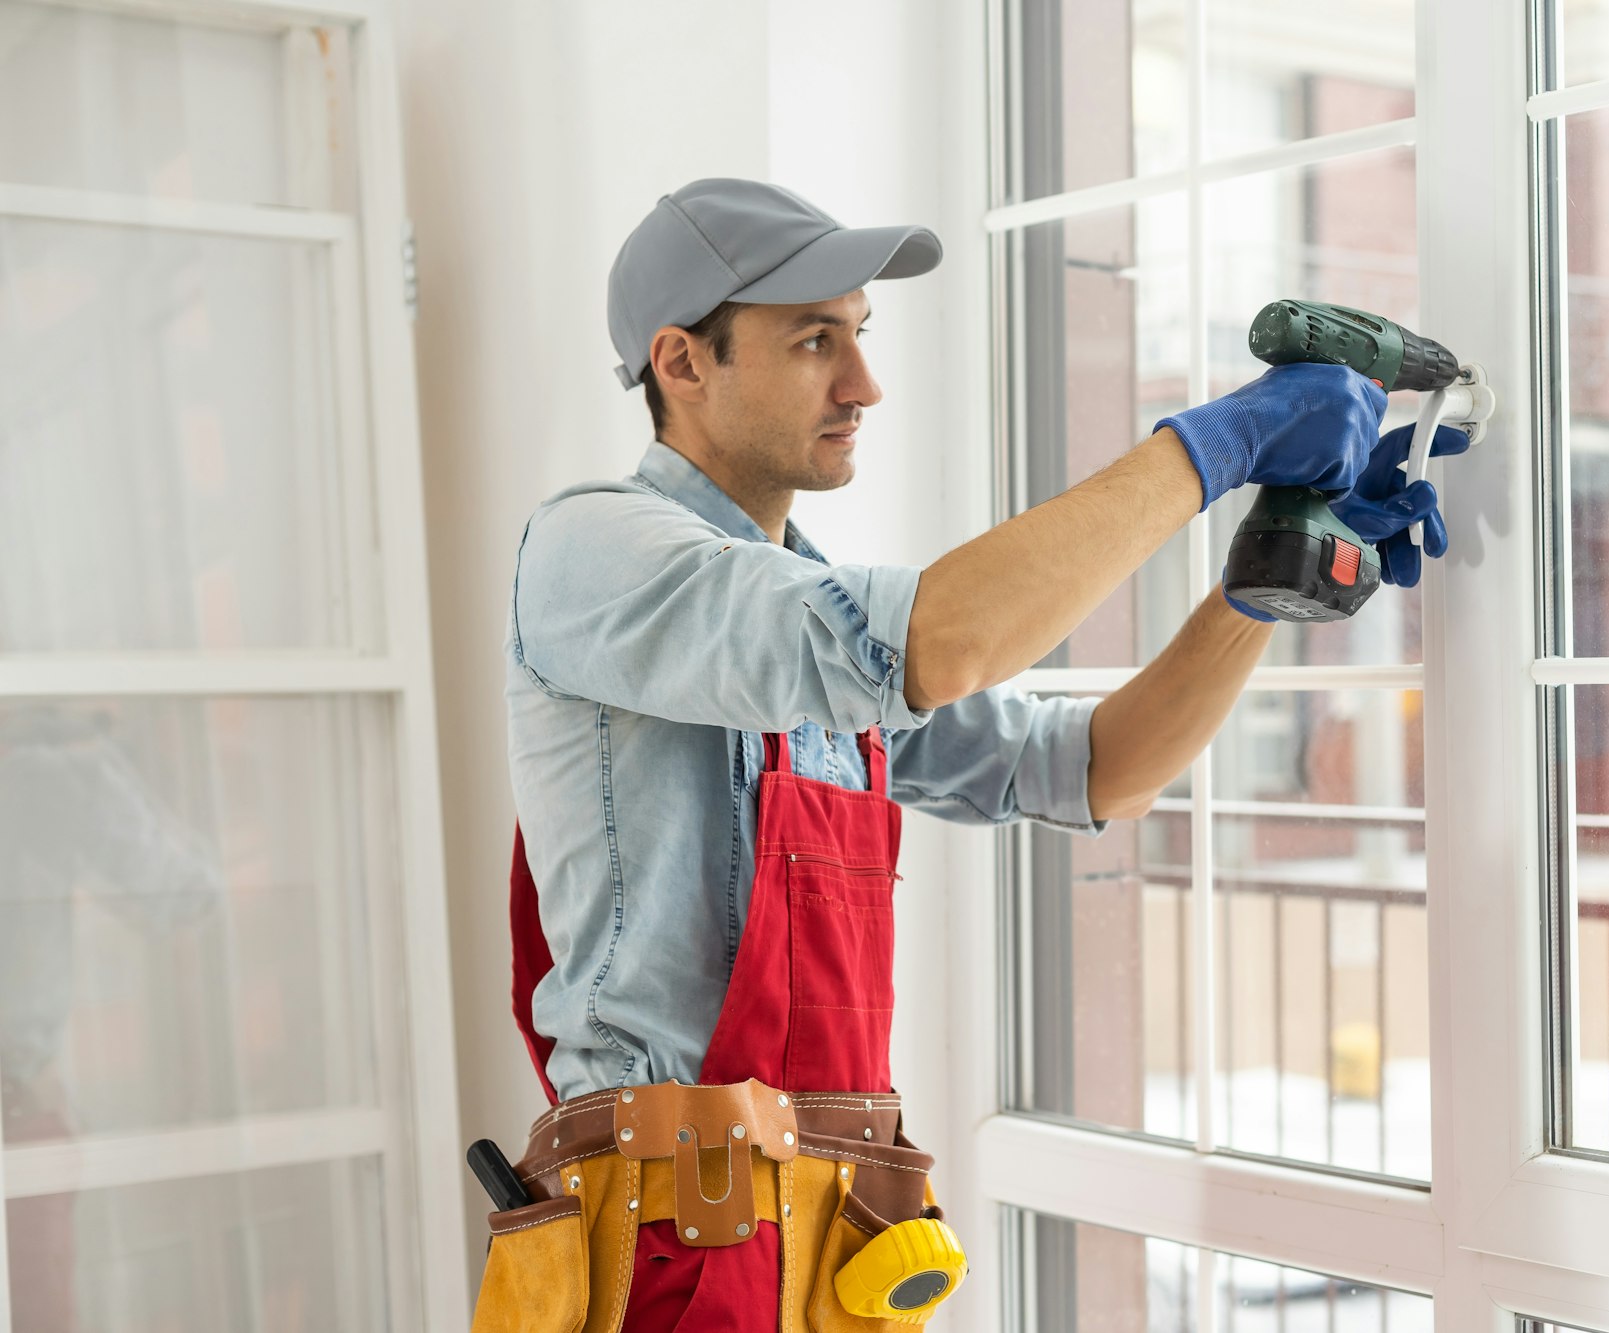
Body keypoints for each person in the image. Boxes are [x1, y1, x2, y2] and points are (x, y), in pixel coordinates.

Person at [476, 178, 1463, 1332]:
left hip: (826, 1231)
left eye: (858, 333)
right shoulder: (595, 548)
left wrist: (1259, 583)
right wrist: (1216, 441)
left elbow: (1095, 770)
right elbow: (942, 642)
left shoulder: (820, 635)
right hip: (667, 1239)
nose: (863, 383)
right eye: (812, 341)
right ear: (682, 364)